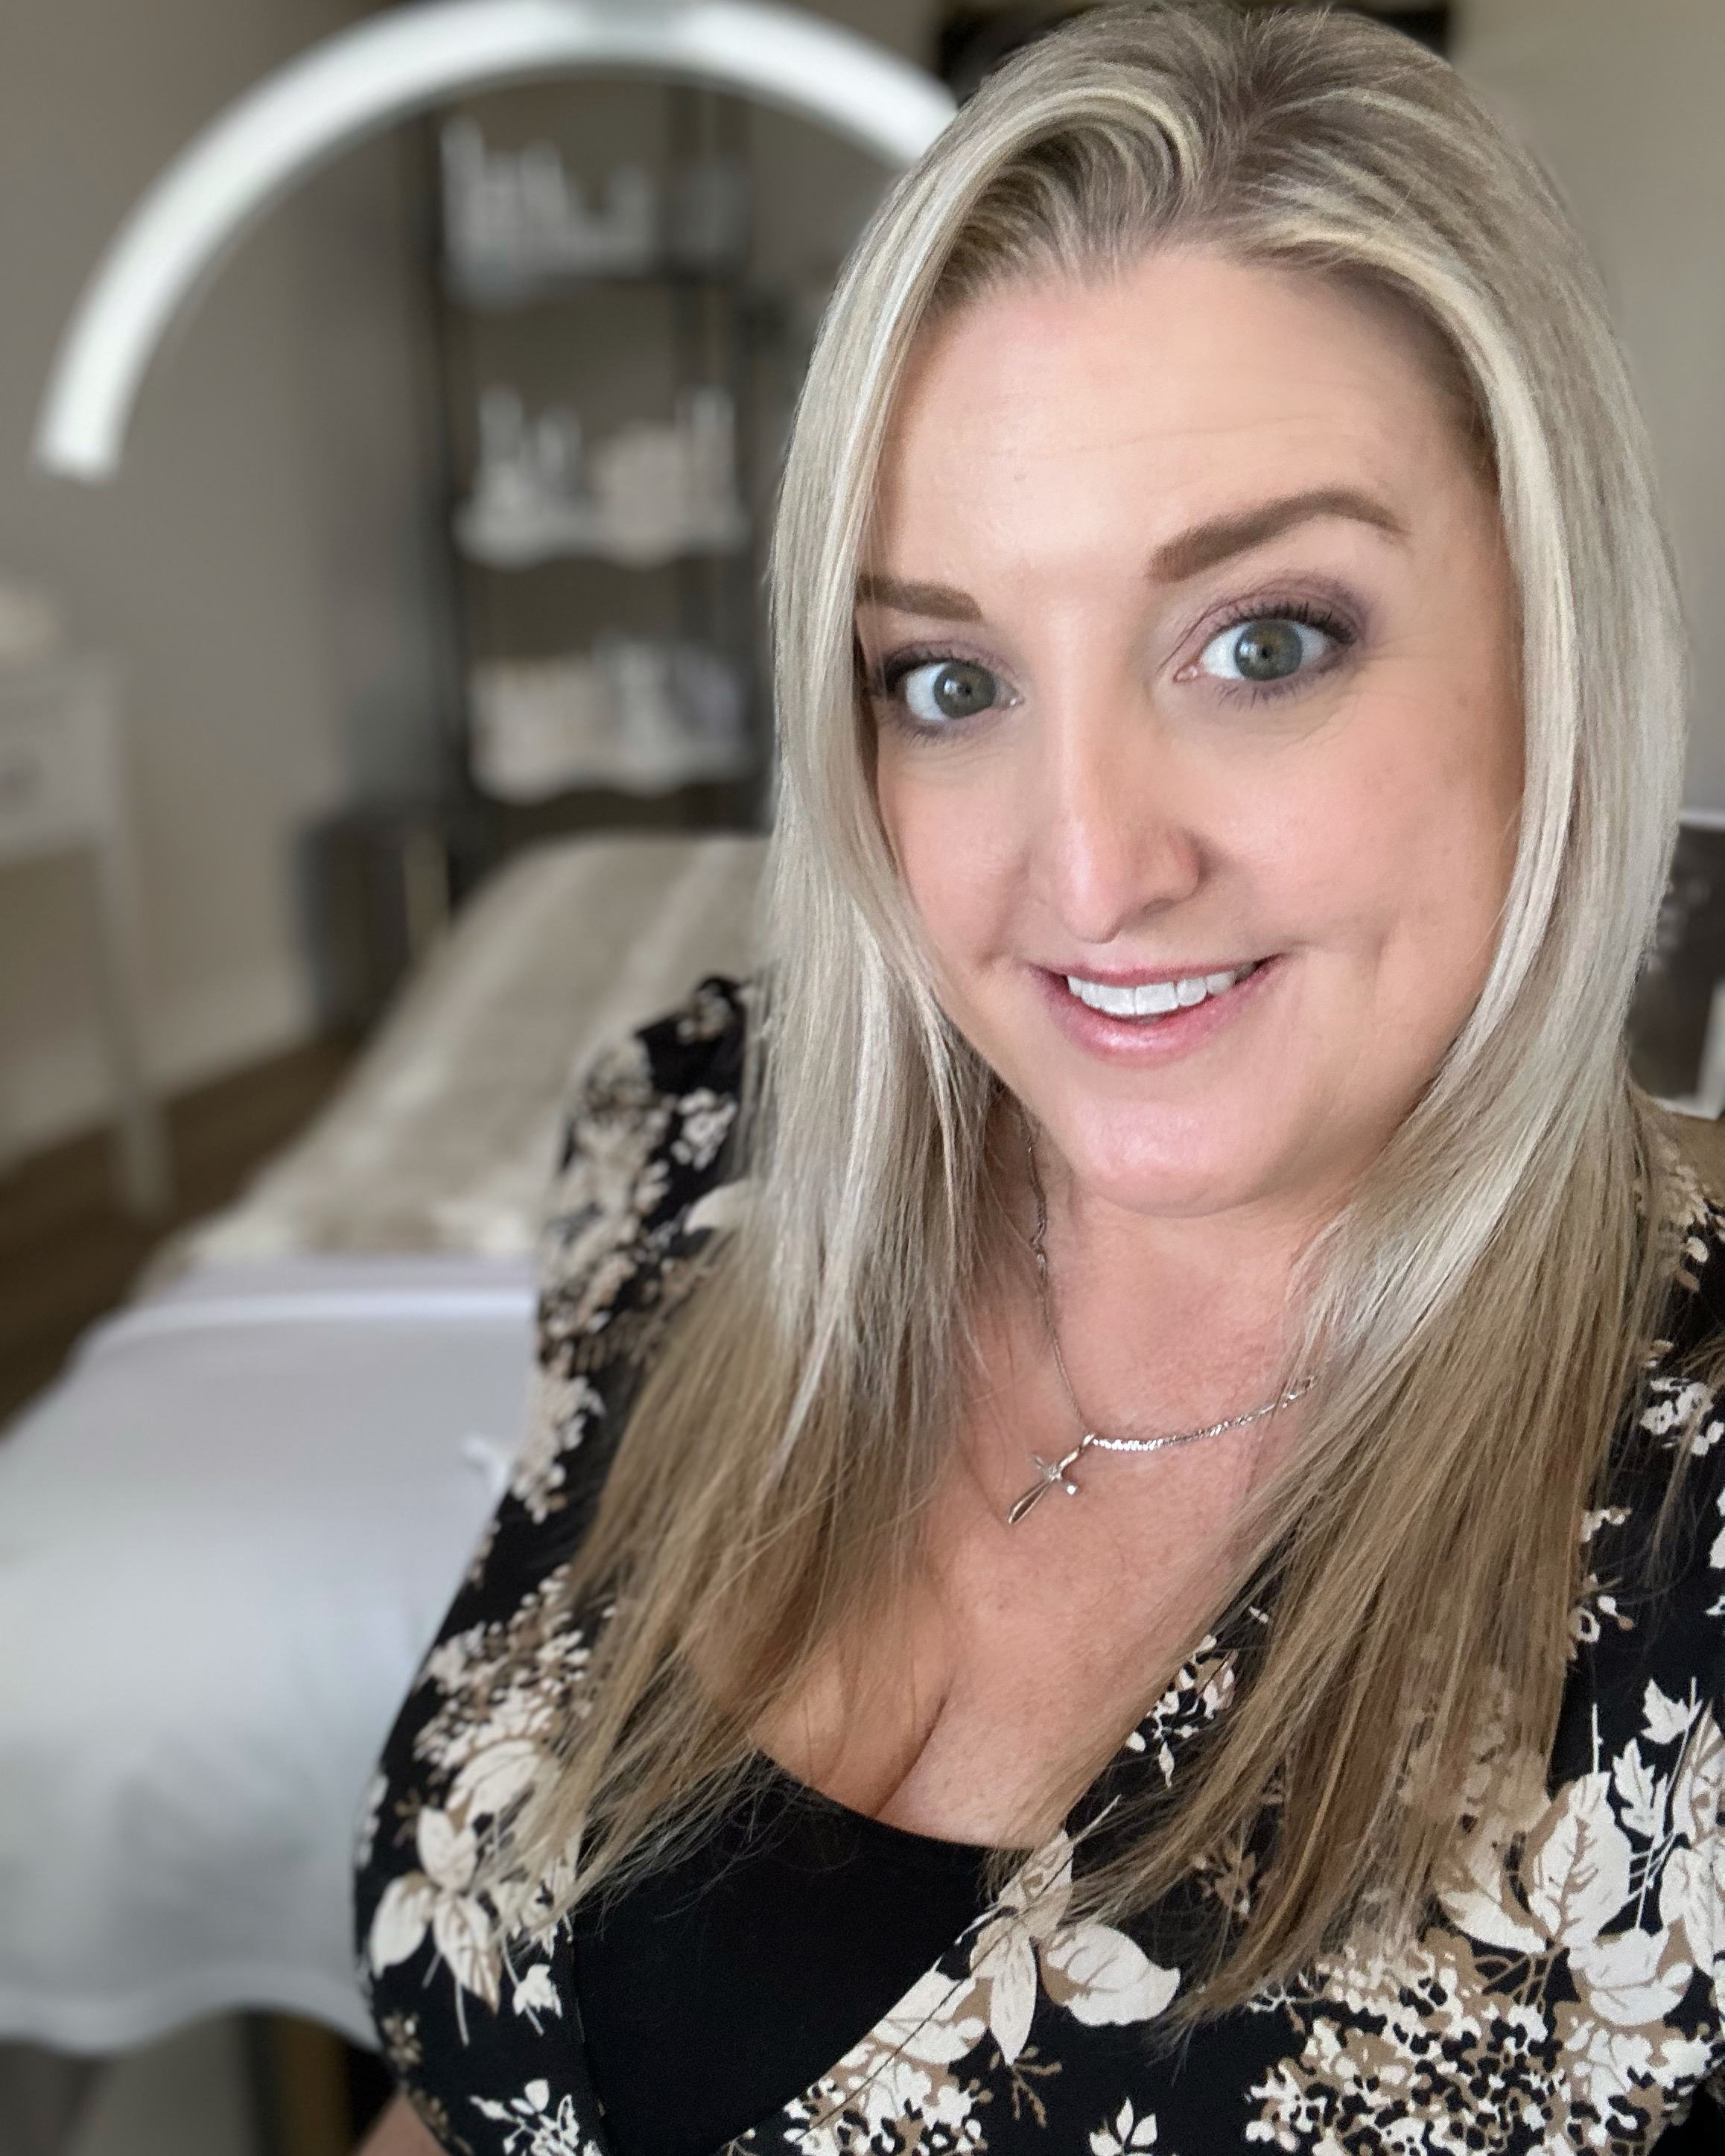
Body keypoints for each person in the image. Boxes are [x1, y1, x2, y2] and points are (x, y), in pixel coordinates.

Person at [355, 7, 1725, 2149]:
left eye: (1263, 641)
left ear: (1553, 644)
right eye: (948, 679)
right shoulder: (700, 1158)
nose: (1086, 871)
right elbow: (475, 2064)